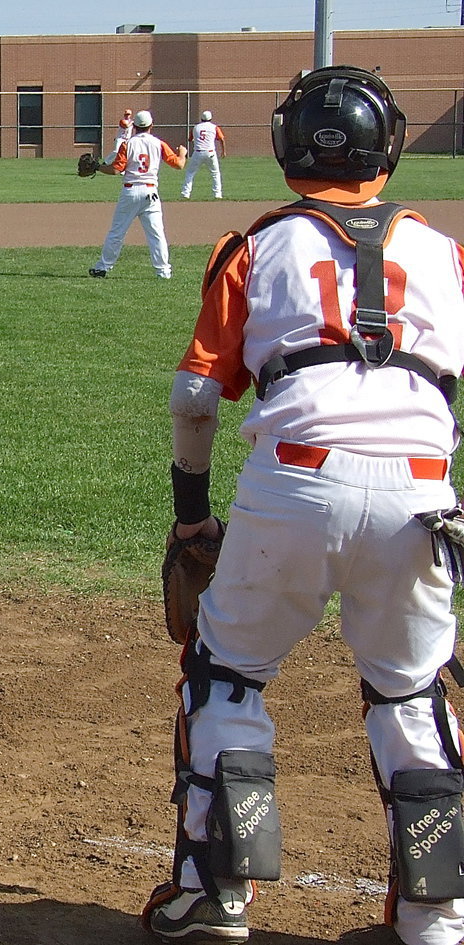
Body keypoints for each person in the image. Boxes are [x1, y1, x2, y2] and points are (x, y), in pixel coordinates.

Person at [144, 66, 464, 945]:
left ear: (291, 147)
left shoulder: (255, 245)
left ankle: (216, 894)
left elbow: (197, 398)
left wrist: (190, 514)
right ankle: (436, 916)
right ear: (388, 147)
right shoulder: (446, 254)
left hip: (294, 479)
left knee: (229, 672)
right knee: (409, 688)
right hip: (421, 495)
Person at [88, 110, 186, 280]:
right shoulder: (158, 143)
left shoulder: (128, 144)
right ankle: (163, 271)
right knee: (157, 234)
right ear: (151, 126)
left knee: (117, 232)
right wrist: (183, 154)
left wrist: (97, 167)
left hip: (131, 191)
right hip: (151, 193)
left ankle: (103, 267)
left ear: (134, 127)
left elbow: (116, 169)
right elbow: (178, 165)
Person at [180, 110, 226, 200]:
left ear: (201, 118)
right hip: (210, 153)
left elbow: (190, 139)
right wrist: (223, 151)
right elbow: (222, 139)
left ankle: (185, 194)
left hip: (198, 153)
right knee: (215, 173)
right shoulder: (214, 127)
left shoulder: (196, 127)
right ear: (211, 118)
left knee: (190, 173)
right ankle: (218, 194)